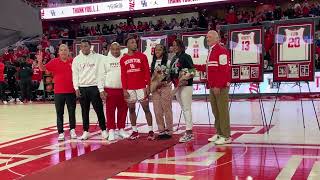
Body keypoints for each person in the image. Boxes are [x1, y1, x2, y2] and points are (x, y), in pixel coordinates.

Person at [194, 30, 231, 145]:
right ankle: (219, 133)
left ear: (217, 38)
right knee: (216, 111)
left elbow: (224, 70)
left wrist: (218, 85)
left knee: (223, 111)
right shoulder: (211, 51)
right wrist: (193, 65)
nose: (207, 39)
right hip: (212, 86)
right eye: (206, 37)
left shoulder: (222, 51)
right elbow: (208, 68)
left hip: (220, 87)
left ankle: (226, 136)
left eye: (209, 37)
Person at [38, 44, 77, 141]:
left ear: (68, 51)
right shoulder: (54, 61)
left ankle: (72, 130)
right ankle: (61, 132)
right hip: (59, 93)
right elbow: (42, 69)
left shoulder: (73, 61)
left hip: (71, 91)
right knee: (60, 113)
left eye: (65, 50)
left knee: (72, 112)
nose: (63, 52)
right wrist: (39, 61)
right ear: (58, 52)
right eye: (61, 50)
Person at [72, 39, 108, 140]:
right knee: (84, 111)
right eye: (82, 46)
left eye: (86, 46)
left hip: (94, 87)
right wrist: (76, 87)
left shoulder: (98, 57)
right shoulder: (76, 59)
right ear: (80, 47)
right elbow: (74, 74)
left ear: (90, 46)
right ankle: (86, 131)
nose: (84, 48)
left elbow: (110, 58)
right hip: (82, 88)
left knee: (99, 109)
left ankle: (104, 130)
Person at [120, 37, 155, 140]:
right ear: (127, 45)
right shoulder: (123, 59)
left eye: (135, 42)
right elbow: (123, 75)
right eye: (132, 42)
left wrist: (147, 86)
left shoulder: (142, 56)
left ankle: (151, 131)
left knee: (146, 109)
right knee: (131, 109)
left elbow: (146, 72)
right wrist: (124, 90)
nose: (135, 44)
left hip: (141, 87)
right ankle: (135, 131)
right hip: (130, 88)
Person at [99, 42, 129, 141]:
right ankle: (111, 129)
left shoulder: (124, 58)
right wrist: (101, 90)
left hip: (122, 89)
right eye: (113, 49)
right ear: (110, 49)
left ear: (120, 49)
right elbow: (101, 76)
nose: (115, 51)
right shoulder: (105, 60)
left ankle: (121, 129)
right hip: (109, 90)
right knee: (110, 111)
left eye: (117, 49)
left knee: (123, 110)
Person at [169, 39, 194, 143]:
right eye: (173, 45)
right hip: (177, 86)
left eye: (176, 45)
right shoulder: (174, 57)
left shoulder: (186, 57)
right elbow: (172, 72)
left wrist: (184, 78)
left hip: (186, 86)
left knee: (187, 108)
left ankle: (189, 133)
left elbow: (192, 71)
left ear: (181, 46)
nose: (174, 47)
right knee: (184, 109)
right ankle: (188, 131)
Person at [150, 44, 173, 139]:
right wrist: (154, 85)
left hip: (165, 87)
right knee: (157, 110)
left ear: (163, 51)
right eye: (156, 50)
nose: (157, 51)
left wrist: (165, 82)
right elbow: (151, 77)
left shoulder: (168, 62)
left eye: (159, 50)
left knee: (167, 108)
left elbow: (171, 75)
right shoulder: (152, 62)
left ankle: (169, 129)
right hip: (155, 89)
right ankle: (161, 130)